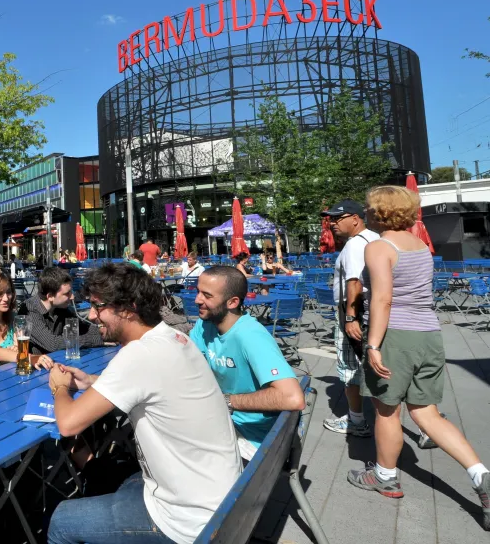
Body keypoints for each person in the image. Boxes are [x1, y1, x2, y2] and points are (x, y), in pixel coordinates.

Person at [47, 263, 242, 544]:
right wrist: (92, 382)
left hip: (187, 521)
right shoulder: (174, 338)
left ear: (129, 308)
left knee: (60, 520)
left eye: (97, 306)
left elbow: (67, 424)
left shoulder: (139, 354)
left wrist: (60, 387)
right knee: (111, 475)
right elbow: (149, 383)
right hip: (218, 495)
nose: (91, 316)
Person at [348, 186, 490, 530]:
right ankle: (480, 474)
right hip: (429, 335)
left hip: (396, 336)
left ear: (380, 212)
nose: (366, 212)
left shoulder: (380, 247)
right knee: (427, 413)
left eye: (369, 208)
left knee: (386, 410)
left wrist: (373, 345)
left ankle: (385, 477)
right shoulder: (421, 247)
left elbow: (382, 300)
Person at [189, 266, 305, 461]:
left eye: (207, 295)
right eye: (198, 292)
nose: (197, 300)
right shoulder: (205, 324)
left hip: (254, 441)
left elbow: (293, 398)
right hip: (222, 423)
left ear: (233, 302)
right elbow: (189, 367)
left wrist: (226, 401)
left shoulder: (250, 336)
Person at [321, 199, 379, 438]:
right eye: (330, 219)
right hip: (373, 311)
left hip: (354, 310)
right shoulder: (375, 239)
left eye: (337, 218)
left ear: (355, 218)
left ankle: (356, 420)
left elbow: (354, 281)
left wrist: (351, 317)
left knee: (349, 368)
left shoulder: (355, 244)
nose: (332, 223)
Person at [18, 266, 104, 355]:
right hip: (36, 366)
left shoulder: (60, 308)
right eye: (67, 293)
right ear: (50, 296)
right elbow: (52, 344)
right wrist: (97, 340)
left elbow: (83, 328)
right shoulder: (29, 310)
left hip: (58, 361)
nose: (72, 297)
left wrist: (107, 332)